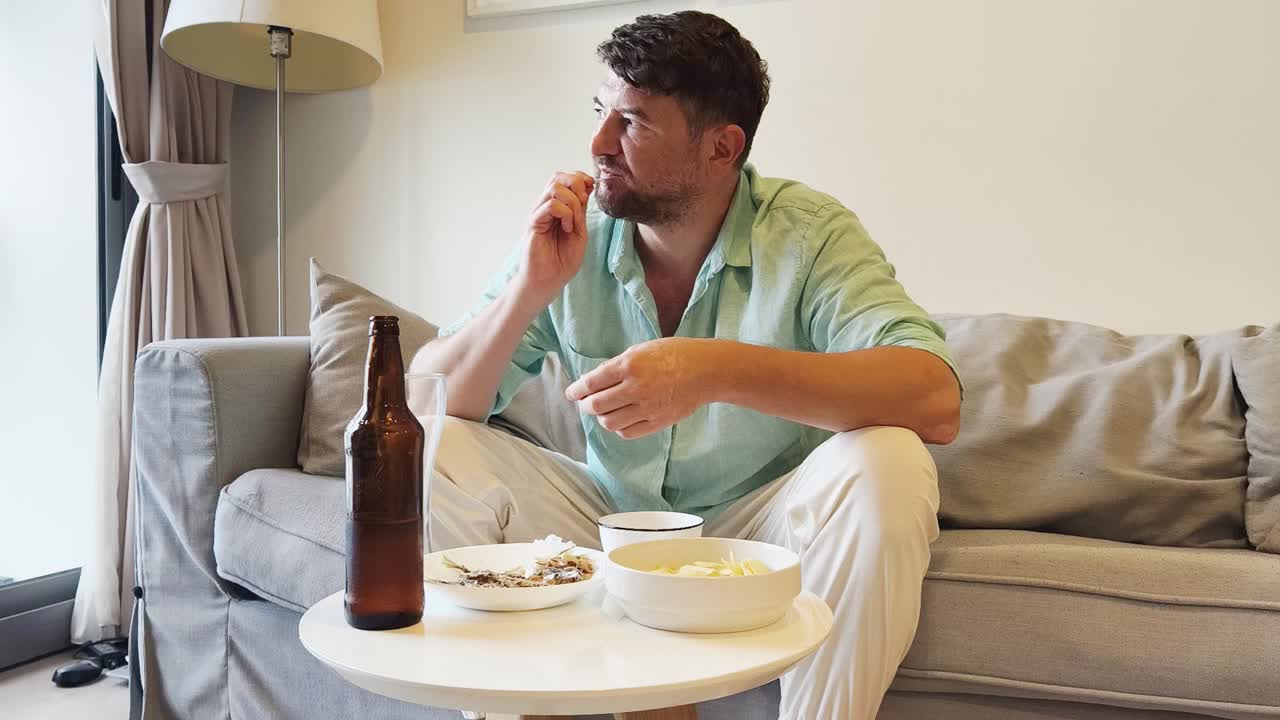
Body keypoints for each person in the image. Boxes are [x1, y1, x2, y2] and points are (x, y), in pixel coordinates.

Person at [412, 10, 962, 720]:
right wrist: (528, 289)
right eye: (600, 113)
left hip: (755, 527)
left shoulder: (810, 235)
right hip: (606, 518)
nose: (598, 144)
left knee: (892, 461)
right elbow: (424, 400)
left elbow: (934, 398)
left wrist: (710, 371)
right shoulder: (577, 235)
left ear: (722, 147)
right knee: (430, 447)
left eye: (634, 123)